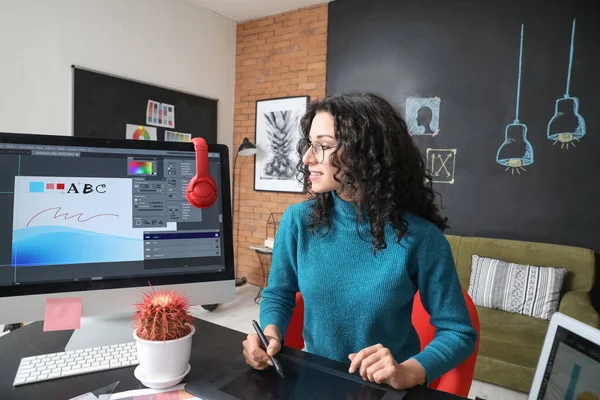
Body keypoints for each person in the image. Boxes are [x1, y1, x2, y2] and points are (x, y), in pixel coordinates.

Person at [242, 92, 477, 390]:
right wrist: (270, 334)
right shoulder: (298, 221)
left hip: (385, 389)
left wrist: (408, 372)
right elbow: (279, 294)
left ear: (365, 155)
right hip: (317, 378)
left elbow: (458, 331)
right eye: (309, 144)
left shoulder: (422, 238)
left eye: (323, 146)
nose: (307, 158)